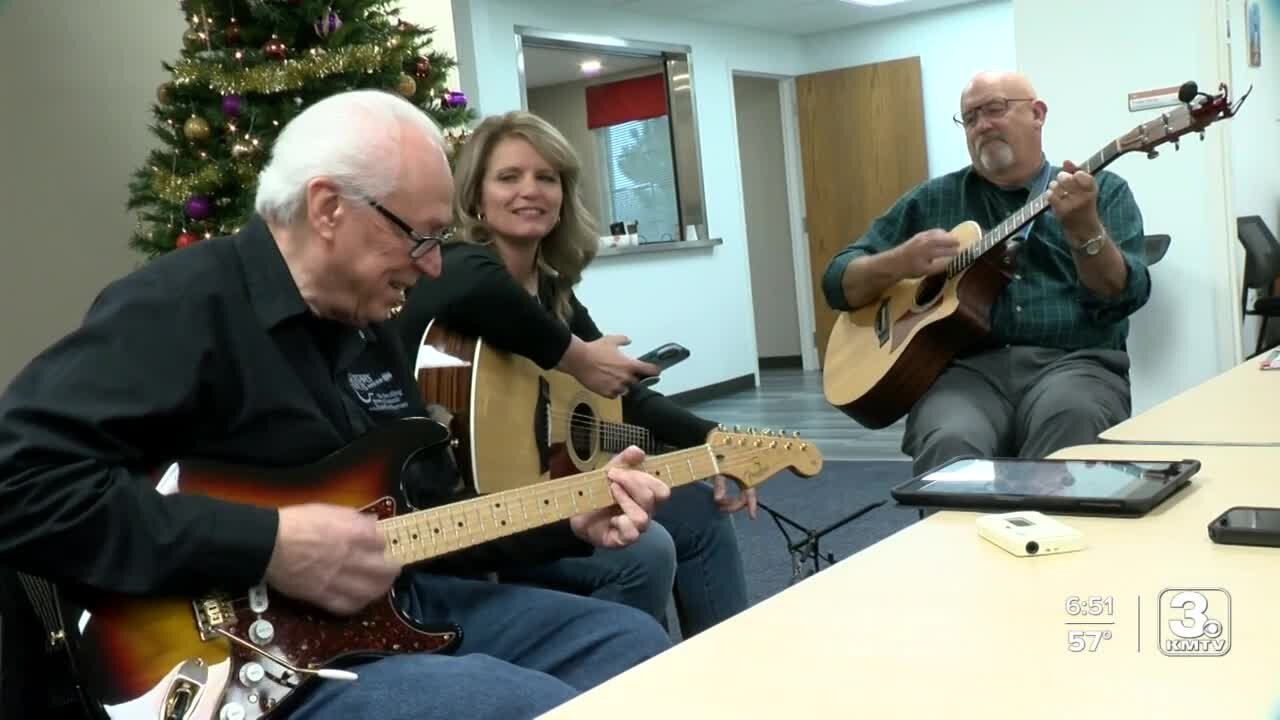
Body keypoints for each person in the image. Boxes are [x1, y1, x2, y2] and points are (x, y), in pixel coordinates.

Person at [0, 90, 673, 720]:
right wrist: (266, 545)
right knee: (515, 703)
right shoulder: (179, 307)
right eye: (422, 238)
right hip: (248, 662)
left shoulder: (368, 322)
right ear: (327, 209)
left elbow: (419, 523)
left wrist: (566, 519)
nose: (434, 267)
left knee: (630, 646)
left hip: (394, 610)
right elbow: (20, 484)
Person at [391, 110, 755, 639]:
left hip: (547, 480)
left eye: (547, 177)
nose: (530, 190)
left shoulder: (555, 291)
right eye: (508, 177)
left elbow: (619, 393)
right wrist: (577, 356)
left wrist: (716, 440)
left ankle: (726, 672)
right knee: (646, 550)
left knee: (698, 510)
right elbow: (476, 286)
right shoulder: (454, 265)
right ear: (475, 195)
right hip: (471, 513)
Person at [822, 71, 1152, 477]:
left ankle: (1054, 539)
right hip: (964, 373)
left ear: (1037, 114)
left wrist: (1085, 228)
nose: (983, 125)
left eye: (995, 109)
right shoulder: (933, 199)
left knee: (1071, 423)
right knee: (949, 441)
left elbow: (1123, 296)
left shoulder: (1103, 190)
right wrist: (898, 262)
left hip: (1073, 364)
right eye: (971, 117)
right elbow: (837, 282)